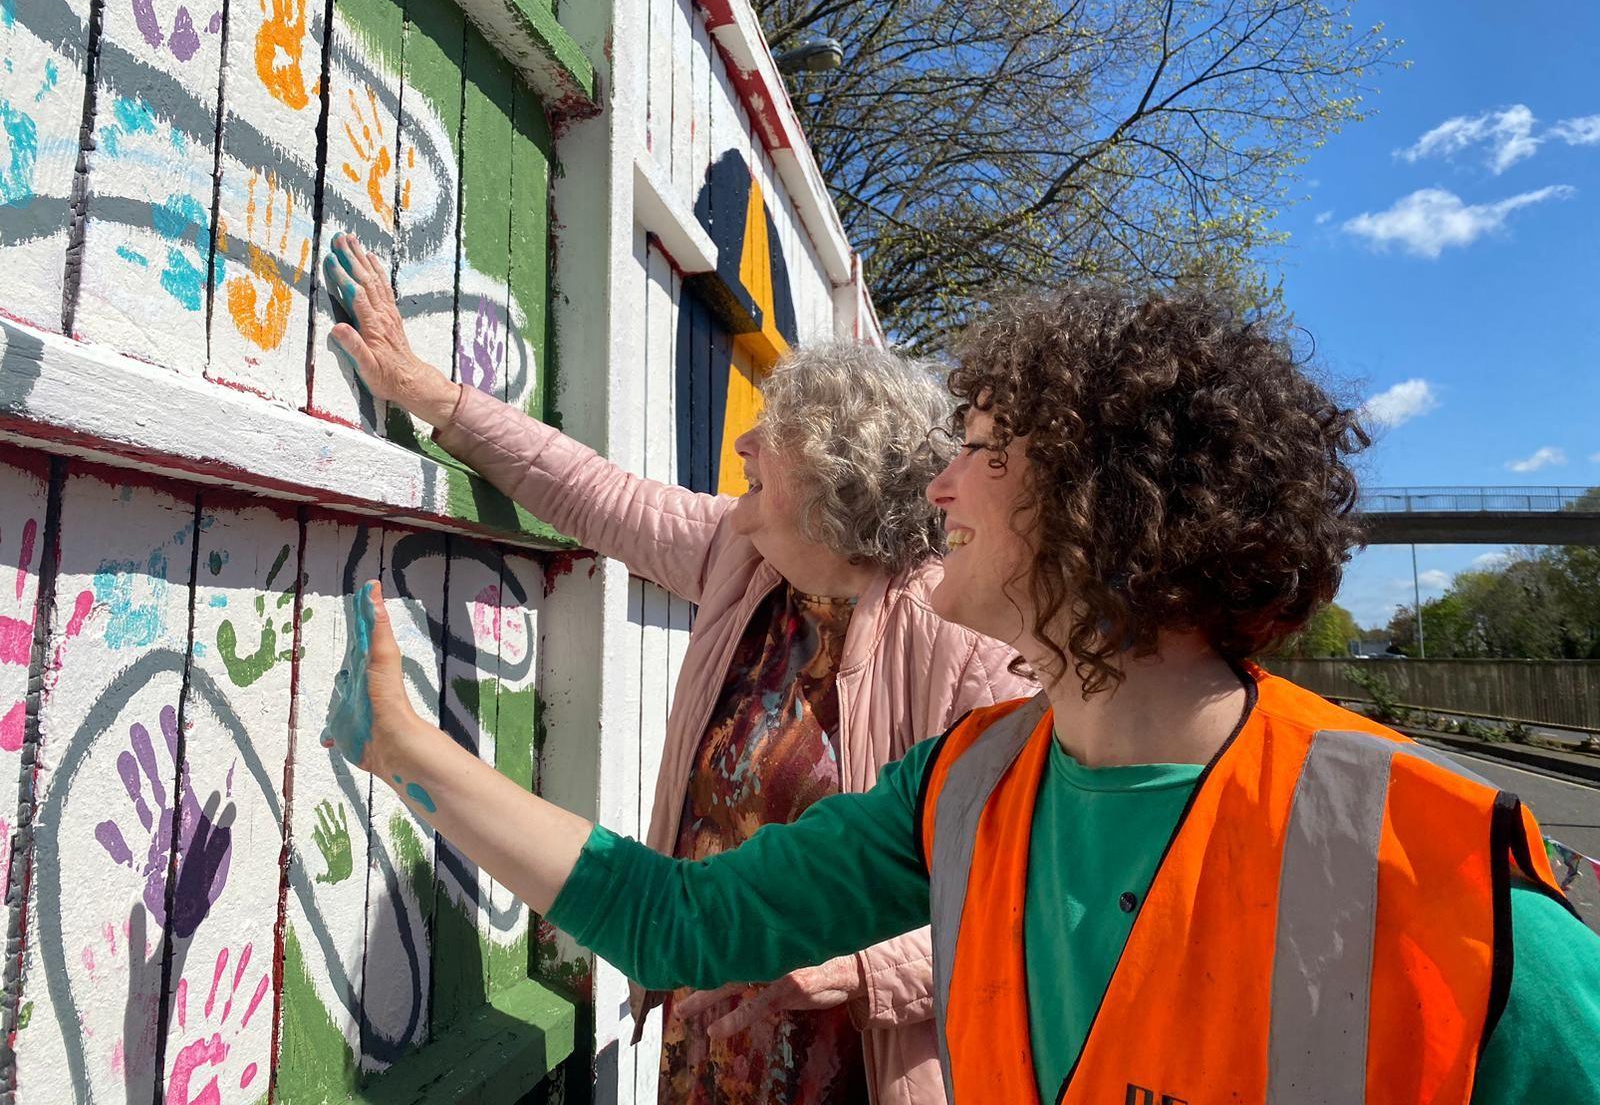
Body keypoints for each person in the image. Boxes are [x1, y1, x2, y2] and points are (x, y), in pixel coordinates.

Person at [327, 284, 1600, 1103]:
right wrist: (413, 751)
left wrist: (862, 981)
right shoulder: (964, 788)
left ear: (1106, 510)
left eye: (980, 453)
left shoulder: (1452, 882)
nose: (939, 491)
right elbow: (676, 924)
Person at [322, 233, 1032, 1104]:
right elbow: (592, 493)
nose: (744, 445)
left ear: (832, 499)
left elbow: (1020, 906)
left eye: (775, 443)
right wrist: (428, 393)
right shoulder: (746, 553)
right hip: (707, 1028)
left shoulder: (963, 647)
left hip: (855, 1065)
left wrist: (866, 964)